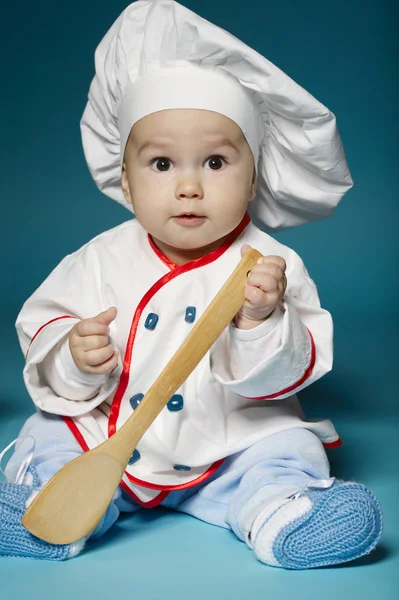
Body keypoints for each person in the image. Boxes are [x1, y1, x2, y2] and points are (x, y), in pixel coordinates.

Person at [0, 0, 382, 566]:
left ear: (254, 177)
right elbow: (43, 329)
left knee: (283, 446)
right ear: (125, 183)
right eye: (160, 165)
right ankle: (52, 509)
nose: (188, 187)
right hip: (108, 436)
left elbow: (286, 373)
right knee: (53, 432)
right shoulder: (98, 259)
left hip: (227, 444)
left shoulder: (271, 266)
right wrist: (75, 357)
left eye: (215, 163)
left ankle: (280, 511)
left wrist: (261, 323)